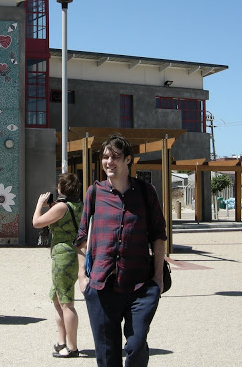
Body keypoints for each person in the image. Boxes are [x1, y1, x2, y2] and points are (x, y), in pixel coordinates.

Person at [76, 134, 167, 367]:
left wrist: (158, 278)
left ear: (128, 159)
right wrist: (82, 277)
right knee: (107, 356)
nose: (109, 162)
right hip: (101, 285)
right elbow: (82, 237)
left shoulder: (146, 192)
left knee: (136, 346)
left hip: (139, 285)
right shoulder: (94, 193)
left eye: (115, 157)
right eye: (105, 157)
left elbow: (159, 235)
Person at [33, 172, 83, 358]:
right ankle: (62, 341)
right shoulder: (78, 205)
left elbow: (37, 222)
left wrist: (40, 204)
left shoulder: (62, 207)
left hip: (63, 256)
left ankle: (72, 347)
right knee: (57, 298)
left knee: (66, 303)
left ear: (61, 188)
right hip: (71, 252)